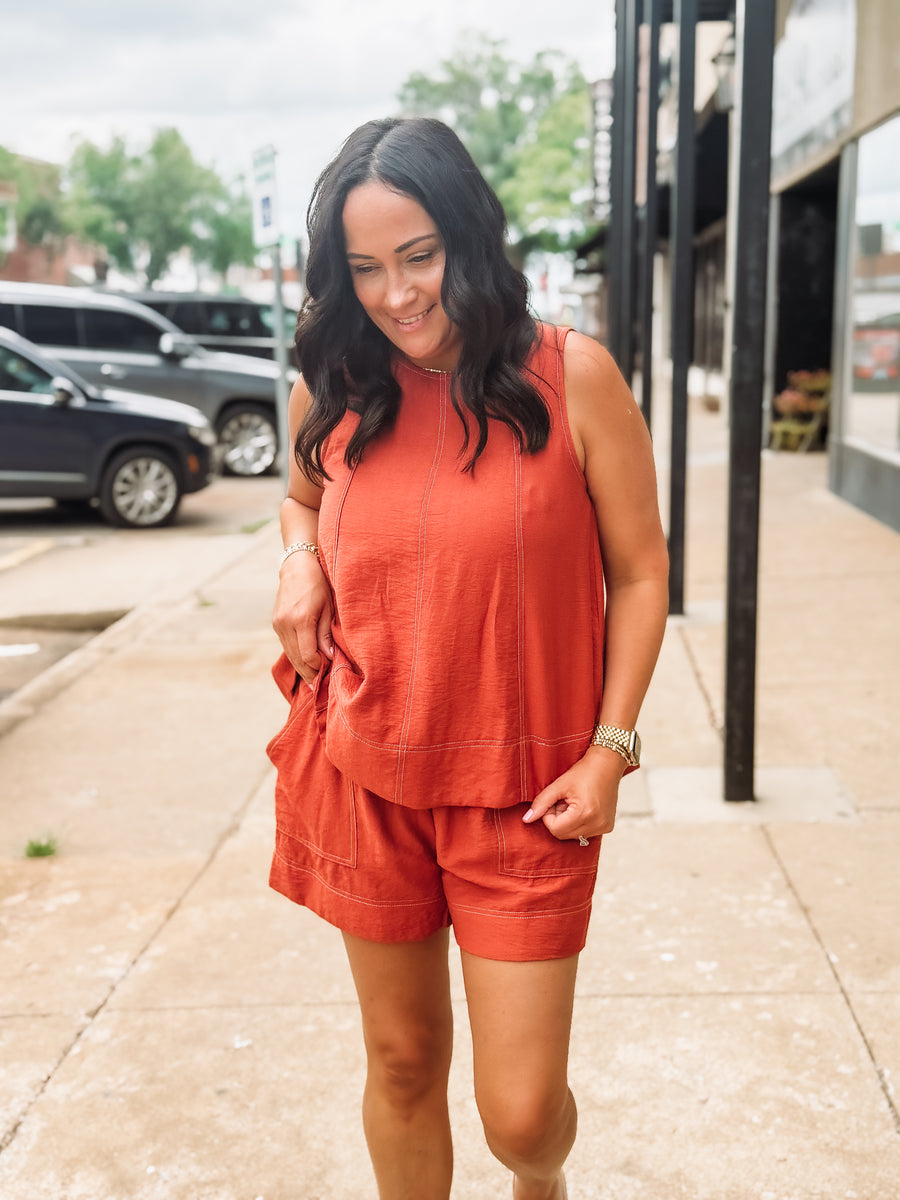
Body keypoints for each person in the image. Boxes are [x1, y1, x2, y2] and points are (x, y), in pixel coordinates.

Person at [268, 116, 669, 1200]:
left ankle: (539, 1185)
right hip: (366, 772)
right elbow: (301, 497)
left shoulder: (571, 377)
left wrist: (611, 749)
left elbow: (640, 574)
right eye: (365, 269)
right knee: (401, 1062)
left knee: (523, 1119)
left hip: (526, 789)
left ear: (469, 239)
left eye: (419, 257)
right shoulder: (335, 384)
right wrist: (300, 560)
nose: (396, 295)